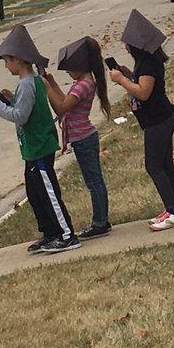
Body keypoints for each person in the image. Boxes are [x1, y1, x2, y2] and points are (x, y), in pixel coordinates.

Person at [0, 25, 79, 253]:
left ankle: (66, 235)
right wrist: (9, 98)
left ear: (17, 60)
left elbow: (21, 116)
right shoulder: (31, 82)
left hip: (39, 145)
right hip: (32, 148)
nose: (6, 66)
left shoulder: (27, 84)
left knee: (48, 192)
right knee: (35, 193)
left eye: (6, 61)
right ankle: (50, 232)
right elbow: (25, 107)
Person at [109, 9, 174, 231]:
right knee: (165, 164)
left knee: (154, 166)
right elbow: (141, 83)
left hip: (158, 120)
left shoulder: (149, 63)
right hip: (157, 119)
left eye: (128, 44)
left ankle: (173, 211)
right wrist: (127, 73)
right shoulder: (145, 63)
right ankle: (173, 209)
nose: (126, 48)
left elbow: (143, 92)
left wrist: (122, 80)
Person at [43, 37, 114, 239]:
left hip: (83, 139)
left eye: (69, 68)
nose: (67, 72)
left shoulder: (83, 85)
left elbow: (61, 108)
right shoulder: (83, 82)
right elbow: (66, 102)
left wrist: (47, 89)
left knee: (94, 183)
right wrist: (54, 85)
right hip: (83, 138)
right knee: (95, 181)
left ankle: (100, 222)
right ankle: (102, 220)